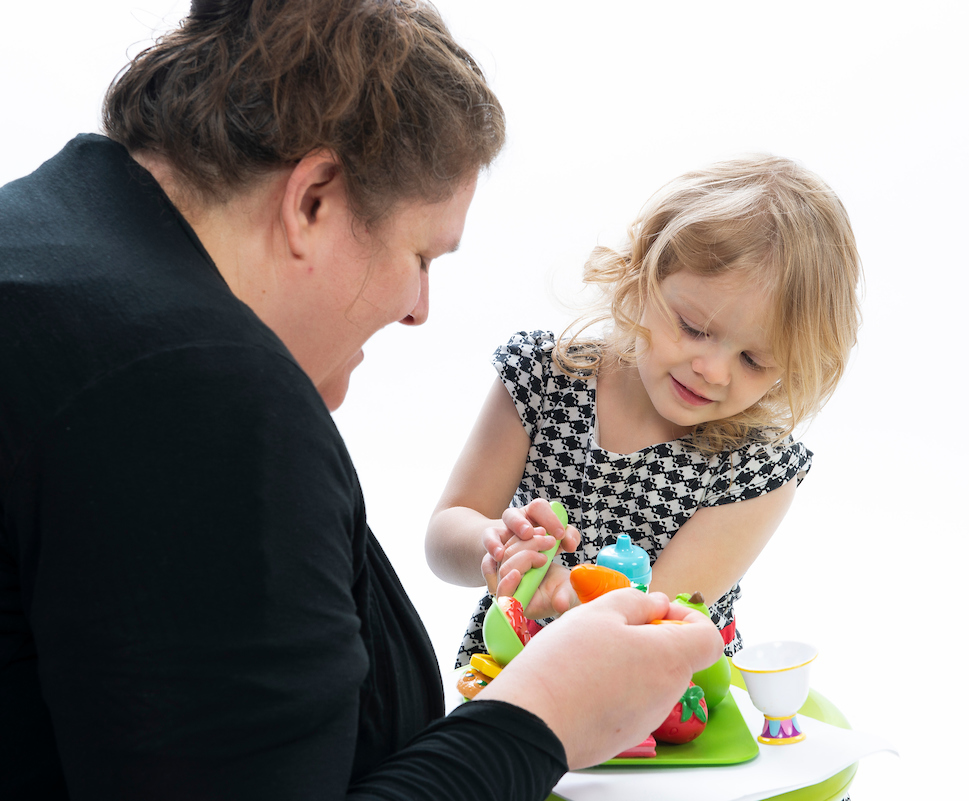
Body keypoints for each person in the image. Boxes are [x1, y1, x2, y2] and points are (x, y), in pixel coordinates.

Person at [0, 1, 722, 799]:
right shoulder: (201, 397)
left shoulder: (40, 245)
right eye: (421, 254)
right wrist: (543, 713)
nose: (419, 306)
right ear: (313, 199)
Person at [426, 156, 862, 669]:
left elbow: (651, 618)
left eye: (752, 360)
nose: (713, 371)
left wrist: (564, 596)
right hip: (514, 660)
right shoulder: (543, 376)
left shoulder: (756, 468)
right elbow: (444, 533)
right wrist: (494, 543)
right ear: (642, 273)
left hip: (662, 698)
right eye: (695, 327)